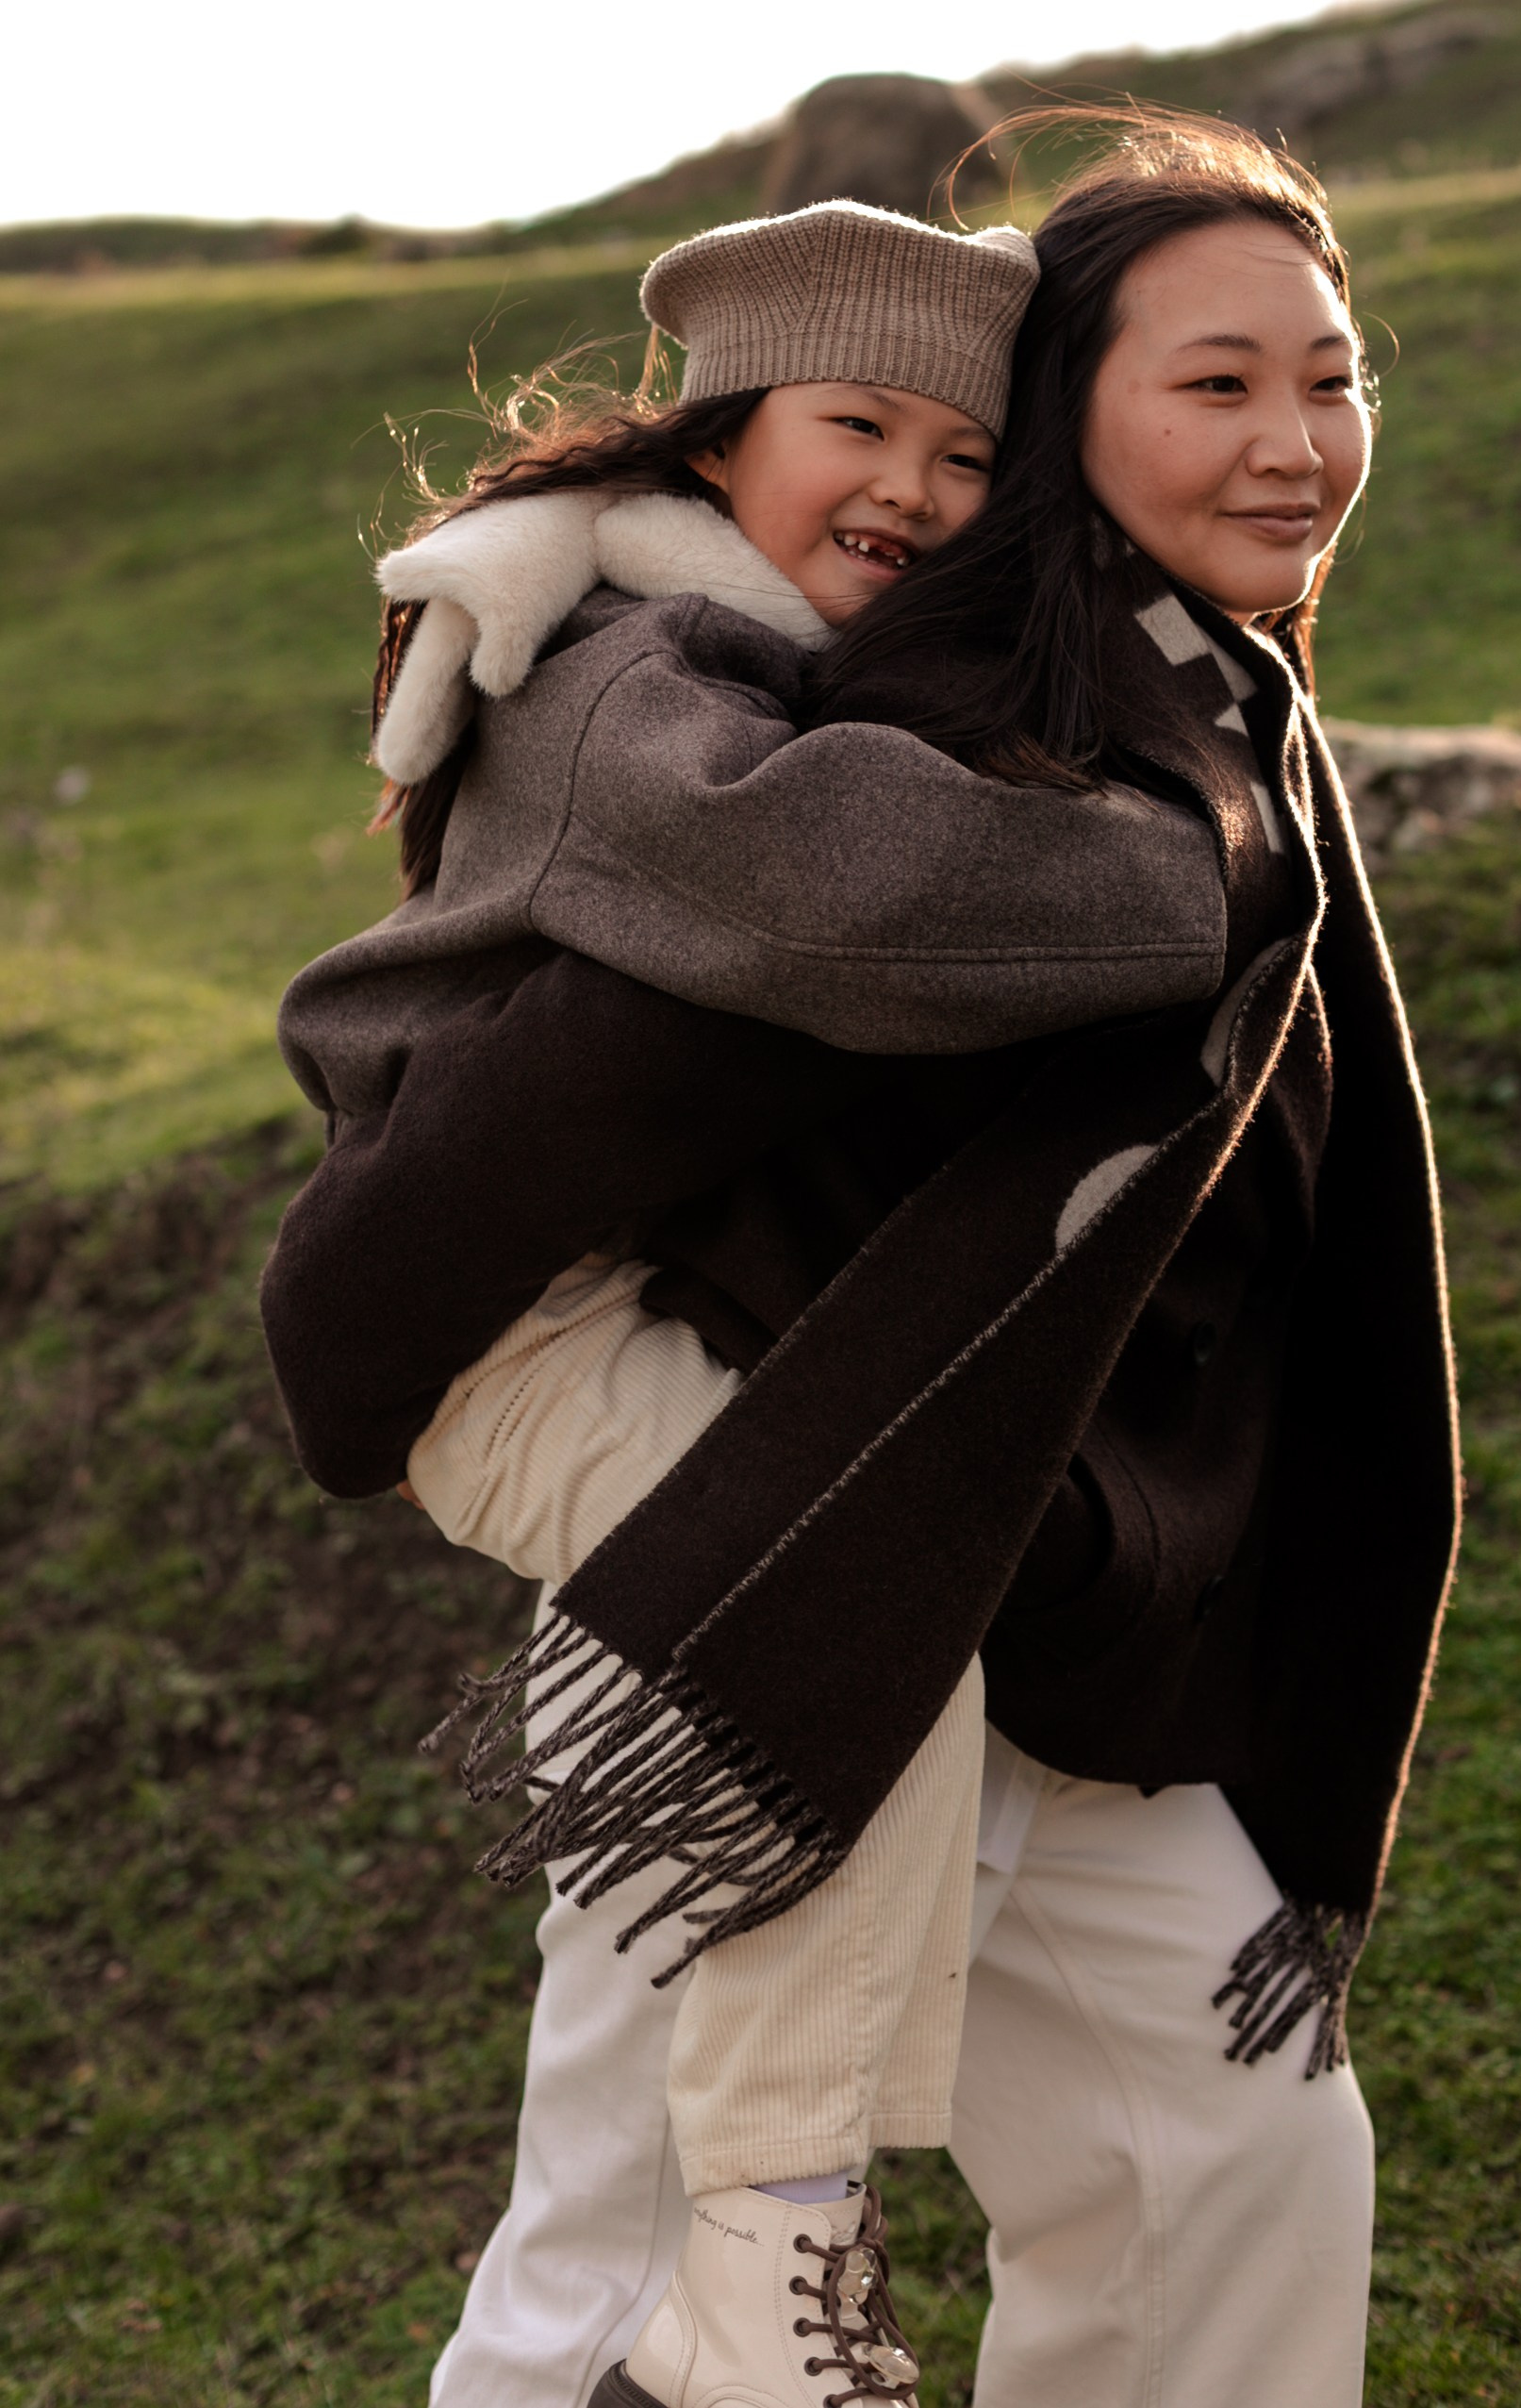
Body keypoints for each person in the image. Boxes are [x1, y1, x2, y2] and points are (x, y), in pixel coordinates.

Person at [262, 112, 1460, 2408]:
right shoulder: (913, 710)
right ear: (1077, 420)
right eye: (1211, 383)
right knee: (626, 2258)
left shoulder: (1199, 697)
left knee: (1226, 2153)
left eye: (1329, 374)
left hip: (1031, 1581)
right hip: (805, 1545)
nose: (1295, 438)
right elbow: (685, 1043)